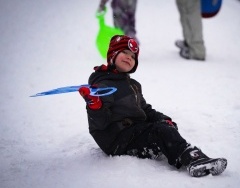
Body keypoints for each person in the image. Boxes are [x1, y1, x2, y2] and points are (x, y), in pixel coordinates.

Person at [79, 35, 227, 177]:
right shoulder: (102, 85)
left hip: (133, 134)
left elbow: (145, 110)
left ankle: (191, 155)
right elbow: (99, 122)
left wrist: (163, 119)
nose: (129, 57)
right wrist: (94, 105)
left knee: (166, 127)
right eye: (124, 52)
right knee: (160, 131)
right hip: (118, 141)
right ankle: (193, 159)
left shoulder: (133, 85)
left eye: (132, 56)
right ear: (112, 55)